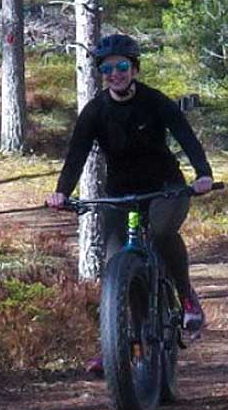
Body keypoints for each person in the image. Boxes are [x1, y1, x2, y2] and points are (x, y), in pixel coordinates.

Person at [45, 34, 216, 361]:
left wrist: (203, 174)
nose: (115, 74)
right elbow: (76, 155)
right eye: (107, 69)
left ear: (134, 69)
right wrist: (62, 193)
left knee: (163, 232)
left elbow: (186, 136)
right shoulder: (95, 111)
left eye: (122, 67)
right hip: (120, 194)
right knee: (114, 267)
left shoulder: (155, 101)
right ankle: (118, 345)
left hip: (166, 186)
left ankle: (186, 296)